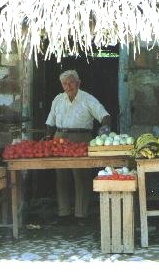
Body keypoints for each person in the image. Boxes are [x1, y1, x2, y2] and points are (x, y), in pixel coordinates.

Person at [45, 69, 111, 224]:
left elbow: (105, 116)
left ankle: (81, 215)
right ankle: (64, 214)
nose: (68, 86)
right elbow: (50, 122)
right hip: (60, 138)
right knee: (61, 176)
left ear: (78, 83)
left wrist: (105, 130)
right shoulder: (58, 99)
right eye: (64, 84)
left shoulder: (88, 99)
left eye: (71, 83)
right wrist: (48, 137)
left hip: (80, 138)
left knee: (81, 175)